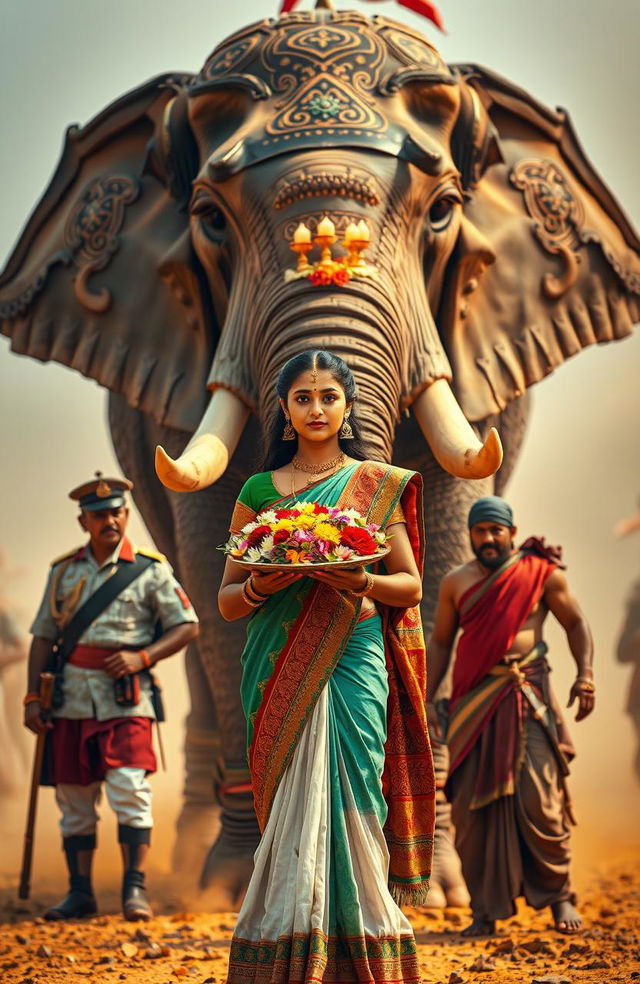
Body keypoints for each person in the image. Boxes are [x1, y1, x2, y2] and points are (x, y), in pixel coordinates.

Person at [218, 350, 434, 984]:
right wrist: (267, 581)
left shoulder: (376, 482)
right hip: (277, 659)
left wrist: (358, 577)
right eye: (303, 397)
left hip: (354, 654)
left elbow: (411, 586)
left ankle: (366, 933)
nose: (317, 408)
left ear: (348, 406)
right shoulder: (258, 491)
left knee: (357, 780)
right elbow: (229, 600)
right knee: (294, 790)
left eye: (329, 397)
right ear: (283, 412)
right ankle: (287, 935)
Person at [24, 473, 199, 921]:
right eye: (99, 515)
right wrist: (32, 698)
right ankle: (79, 892)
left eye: (117, 513)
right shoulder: (63, 571)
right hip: (69, 699)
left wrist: (144, 657)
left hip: (127, 700)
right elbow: (44, 637)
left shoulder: (150, 570)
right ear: (84, 521)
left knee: (129, 791)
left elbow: (187, 624)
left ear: (126, 515)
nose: (110, 522)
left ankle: (133, 891)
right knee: (74, 800)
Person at [427, 495, 594, 937]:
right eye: (480, 531)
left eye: (495, 531)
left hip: (527, 697)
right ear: (470, 535)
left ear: (512, 533)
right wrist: (427, 695)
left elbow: (575, 624)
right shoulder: (455, 583)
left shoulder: (540, 574)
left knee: (541, 800)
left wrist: (586, 676)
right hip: (473, 704)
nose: (487, 539)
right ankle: (484, 911)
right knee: (469, 809)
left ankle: (559, 898)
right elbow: (442, 642)